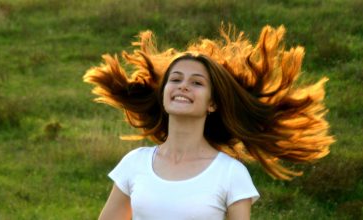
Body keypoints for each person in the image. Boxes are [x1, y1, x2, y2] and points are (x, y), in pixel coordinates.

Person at [83, 25, 335, 220]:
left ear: (212, 104)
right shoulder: (135, 163)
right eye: (176, 79)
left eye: (197, 83)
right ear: (163, 93)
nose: (183, 86)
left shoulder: (230, 174)